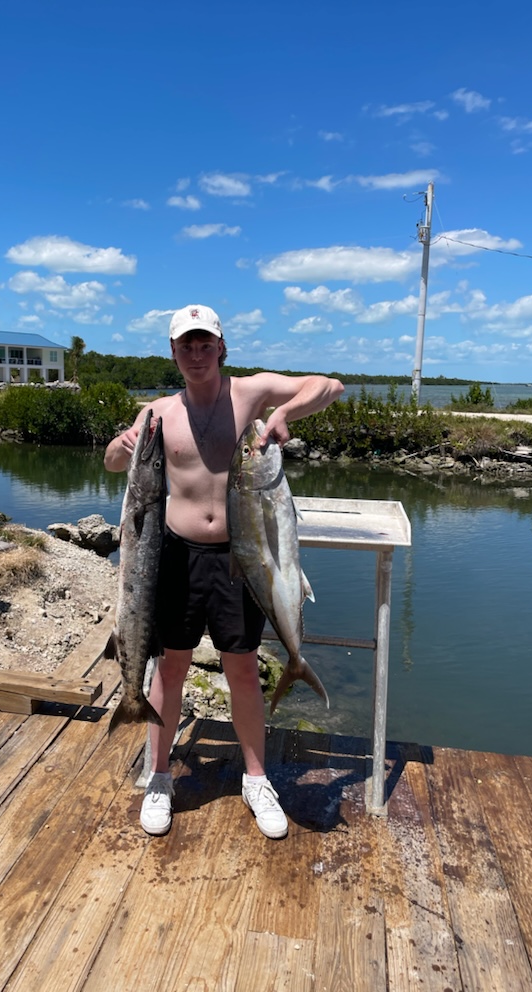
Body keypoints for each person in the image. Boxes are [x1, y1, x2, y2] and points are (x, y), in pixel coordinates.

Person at [104, 304, 343, 838]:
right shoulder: (158, 413)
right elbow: (113, 464)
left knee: (240, 671)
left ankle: (256, 779)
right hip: (175, 556)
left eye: (204, 343)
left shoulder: (252, 394)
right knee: (169, 669)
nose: (195, 353)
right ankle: (160, 775)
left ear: (221, 348)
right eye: (185, 345)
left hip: (241, 559)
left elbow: (329, 385)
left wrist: (285, 415)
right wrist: (120, 447)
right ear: (173, 353)